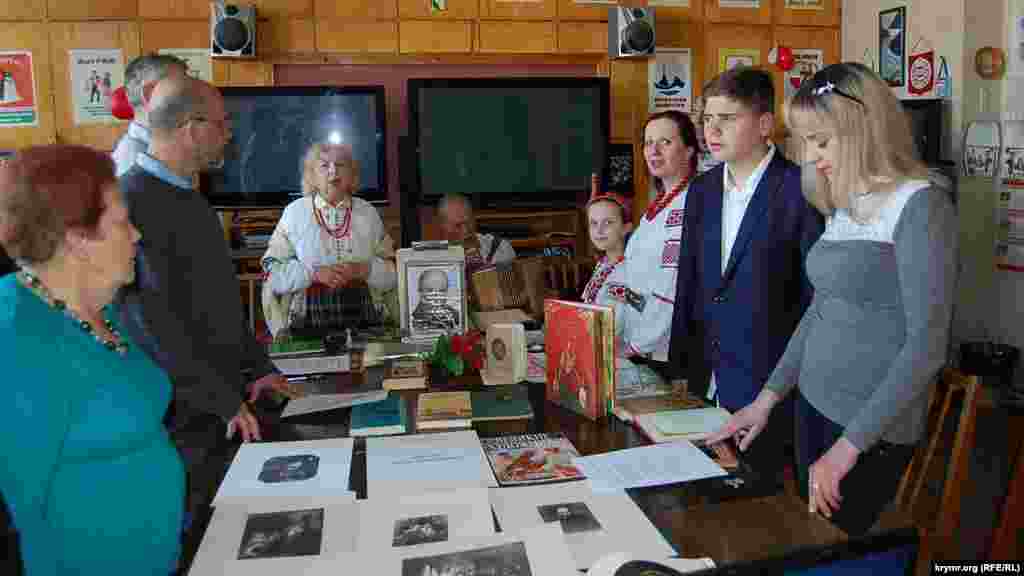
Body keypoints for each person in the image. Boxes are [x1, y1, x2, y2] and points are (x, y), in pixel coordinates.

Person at [706, 62, 957, 535]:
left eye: (822, 141)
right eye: (805, 141)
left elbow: (927, 346)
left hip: (867, 431)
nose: (812, 155)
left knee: (837, 554)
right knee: (808, 542)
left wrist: (848, 448)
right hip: (814, 409)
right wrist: (766, 400)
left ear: (864, 128)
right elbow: (820, 310)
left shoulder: (921, 205)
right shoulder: (845, 202)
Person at [115, 76, 292, 549]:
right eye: (222, 123)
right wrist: (220, 398)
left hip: (220, 410)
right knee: (194, 543)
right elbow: (152, 326)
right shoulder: (134, 202)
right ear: (192, 129)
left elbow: (216, 305)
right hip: (182, 423)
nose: (230, 134)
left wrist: (258, 367)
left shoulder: (187, 197)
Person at [0, 145, 184, 574]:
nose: (136, 236)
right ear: (78, 239)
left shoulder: (97, 313)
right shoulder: (17, 334)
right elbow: (18, 509)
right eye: (122, 223)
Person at [669, 67, 824, 483]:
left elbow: (814, 300)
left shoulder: (799, 189)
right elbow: (690, 285)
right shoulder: (700, 190)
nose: (711, 130)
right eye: (706, 119)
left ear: (764, 124)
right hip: (707, 380)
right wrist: (680, 372)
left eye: (727, 118)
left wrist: (782, 389)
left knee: (760, 509)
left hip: (768, 386)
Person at [261, 142, 397, 337]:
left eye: (341, 165)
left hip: (367, 321)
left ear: (351, 174)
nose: (333, 171)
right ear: (312, 176)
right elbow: (272, 274)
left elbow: (393, 274)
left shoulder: (368, 213)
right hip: (305, 323)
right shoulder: (294, 213)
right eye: (324, 166)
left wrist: (364, 270)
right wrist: (312, 274)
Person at [622, 110, 700, 365]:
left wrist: (636, 344)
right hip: (641, 341)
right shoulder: (659, 205)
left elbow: (670, 285)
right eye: (648, 143)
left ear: (689, 150)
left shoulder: (688, 205)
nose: (653, 151)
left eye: (665, 142)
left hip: (663, 349)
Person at [582, 185, 663, 399]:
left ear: (626, 227)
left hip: (621, 366)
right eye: (593, 223)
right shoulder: (604, 265)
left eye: (608, 223)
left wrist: (626, 346)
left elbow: (641, 313)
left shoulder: (630, 271)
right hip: (595, 352)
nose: (599, 230)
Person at [111, 54, 187, 177]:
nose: (190, 96)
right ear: (150, 93)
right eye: (181, 87)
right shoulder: (135, 160)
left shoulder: (159, 148)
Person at [436, 193, 515, 272]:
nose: (465, 230)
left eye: (469, 222)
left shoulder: (500, 248)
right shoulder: (433, 258)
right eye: (457, 225)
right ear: (443, 226)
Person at [410, 268, 461, 333]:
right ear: (420, 292)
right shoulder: (417, 318)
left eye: (442, 290)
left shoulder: (453, 313)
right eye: (430, 290)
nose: (436, 296)